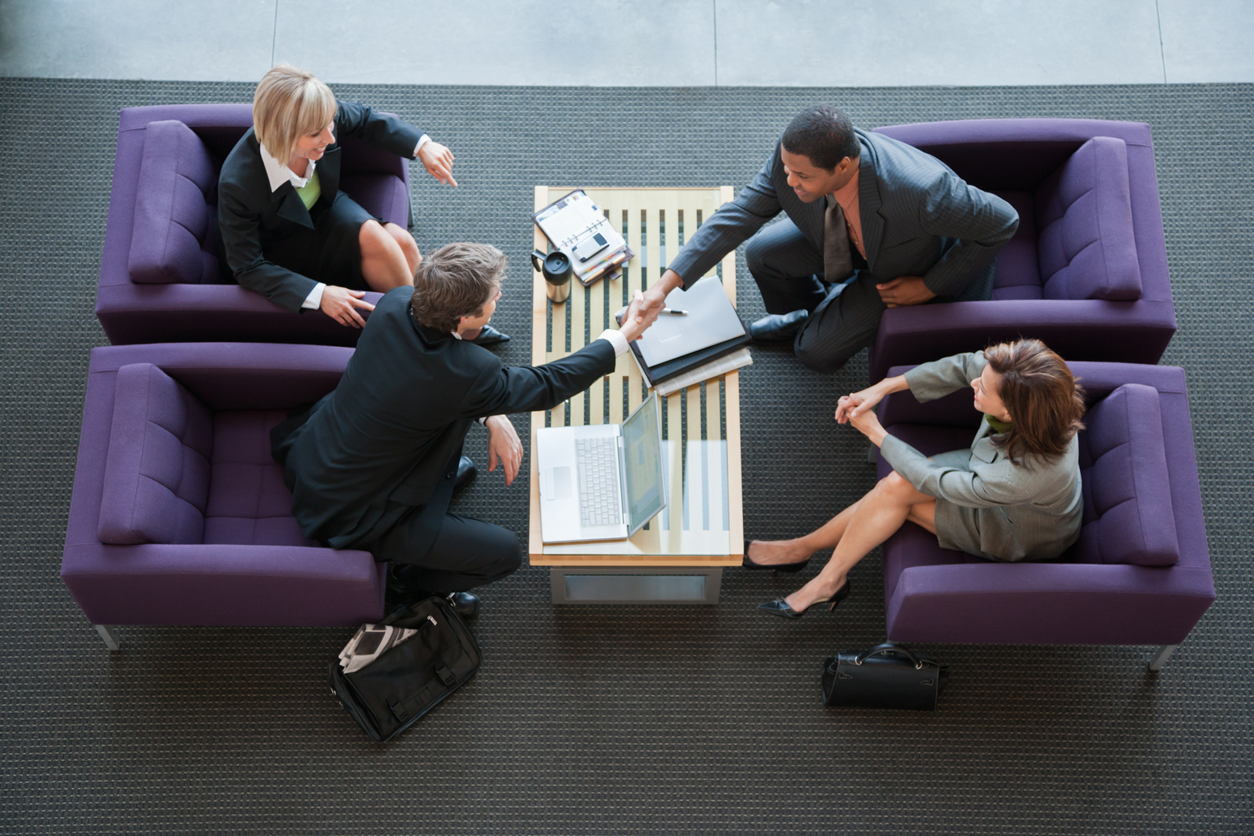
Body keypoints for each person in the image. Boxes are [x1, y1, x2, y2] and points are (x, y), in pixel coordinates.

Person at [271, 243, 650, 616]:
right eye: (492, 297)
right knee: (504, 553)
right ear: (464, 318)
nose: (499, 296)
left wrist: (491, 413)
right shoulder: (469, 372)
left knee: (451, 432)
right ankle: (407, 585)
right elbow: (548, 384)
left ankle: (437, 488)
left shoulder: (395, 303)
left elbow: (436, 383)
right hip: (357, 513)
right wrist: (624, 335)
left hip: (317, 452)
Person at [634, 105, 1019, 372]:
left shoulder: (922, 192)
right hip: (841, 236)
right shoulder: (794, 158)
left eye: (801, 177)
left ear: (844, 166)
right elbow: (739, 215)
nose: (788, 181)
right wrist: (663, 288)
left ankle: (822, 322)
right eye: (786, 169)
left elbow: (1003, 222)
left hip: (902, 270)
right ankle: (810, 312)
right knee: (762, 253)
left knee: (814, 353)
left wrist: (929, 286)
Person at [746, 339, 1085, 618]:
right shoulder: (1030, 393)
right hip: (987, 467)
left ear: (1011, 413)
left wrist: (877, 434)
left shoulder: (1022, 476)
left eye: (983, 388)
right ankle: (810, 560)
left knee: (896, 493)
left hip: (1015, 530)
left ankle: (820, 572)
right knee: (896, 488)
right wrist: (882, 388)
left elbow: (933, 482)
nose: (974, 383)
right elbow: (962, 365)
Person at [218, 64, 507, 344]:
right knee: (378, 240)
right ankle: (432, 330)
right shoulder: (238, 183)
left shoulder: (317, 116)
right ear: (283, 134)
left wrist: (422, 146)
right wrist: (320, 294)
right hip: (285, 244)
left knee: (402, 241)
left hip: (324, 208)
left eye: (330, 124)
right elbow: (247, 267)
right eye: (317, 134)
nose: (330, 137)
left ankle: (448, 321)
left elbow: (367, 119)